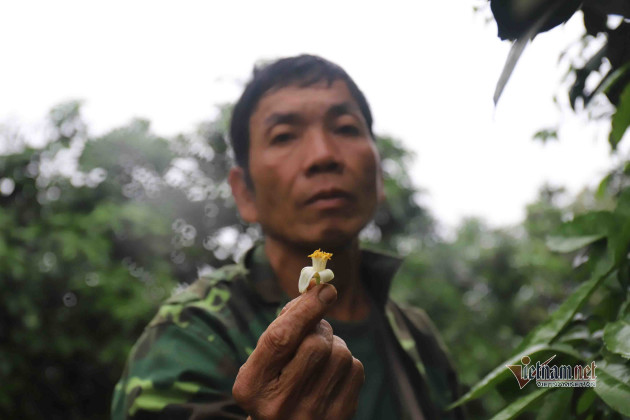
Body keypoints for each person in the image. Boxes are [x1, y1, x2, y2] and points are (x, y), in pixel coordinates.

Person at [111, 54, 466, 420]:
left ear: (379, 176)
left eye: (345, 128)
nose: (323, 155)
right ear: (244, 193)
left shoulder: (417, 334)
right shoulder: (190, 335)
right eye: (283, 136)